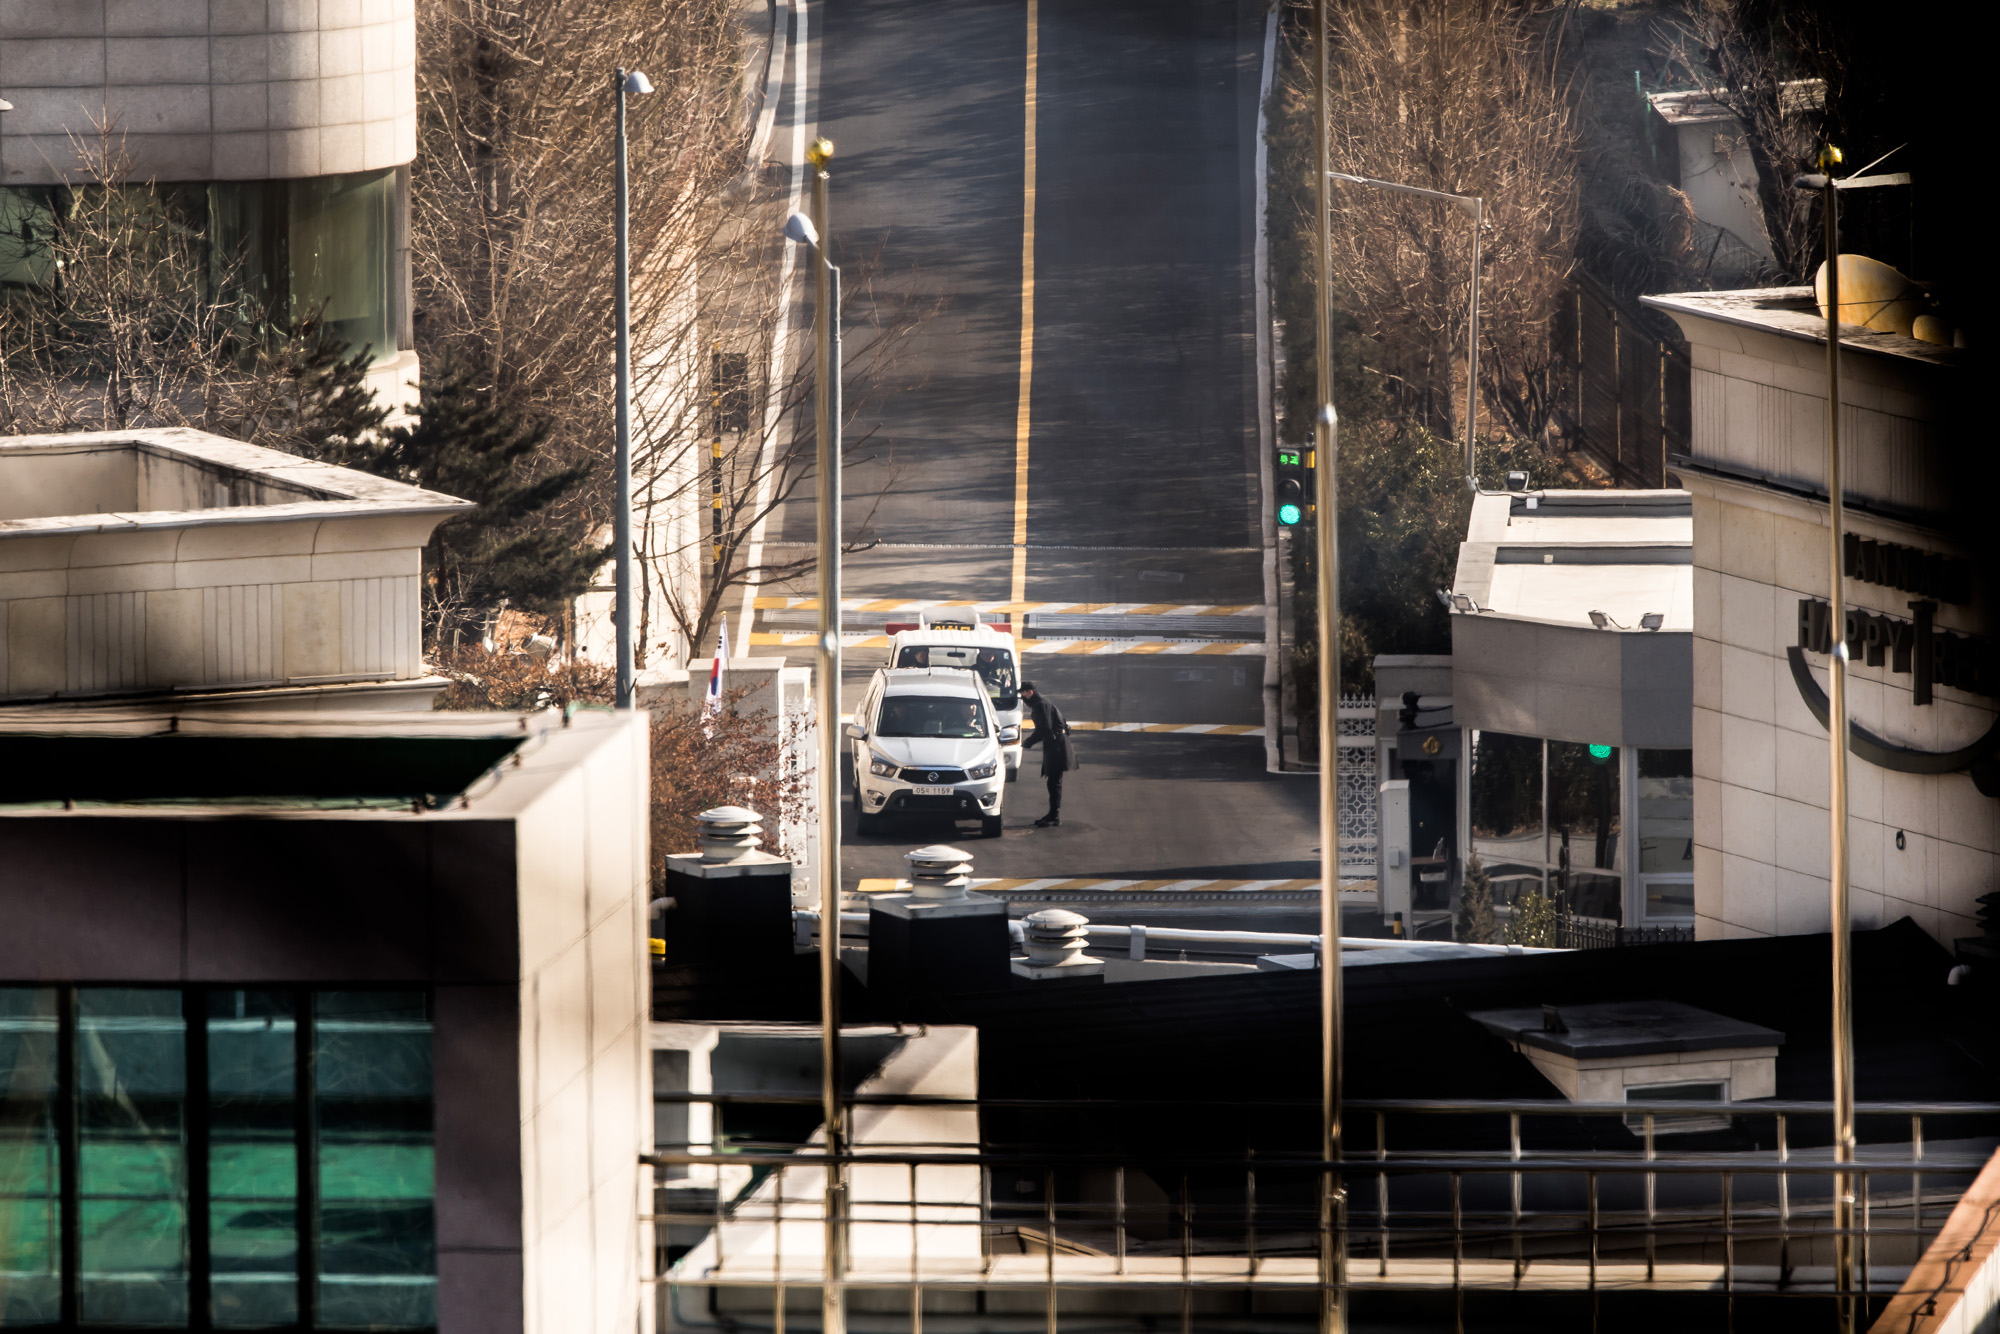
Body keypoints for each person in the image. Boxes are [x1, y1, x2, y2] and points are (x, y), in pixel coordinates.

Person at [1018, 681, 1077, 827]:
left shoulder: (1040, 704)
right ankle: (1053, 814)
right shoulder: (1041, 702)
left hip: (1057, 747)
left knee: (1054, 782)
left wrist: (1028, 742)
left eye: (1023, 693)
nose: (1022, 697)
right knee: (1053, 782)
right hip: (1055, 744)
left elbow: (1044, 728)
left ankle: (1054, 816)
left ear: (1030, 692)